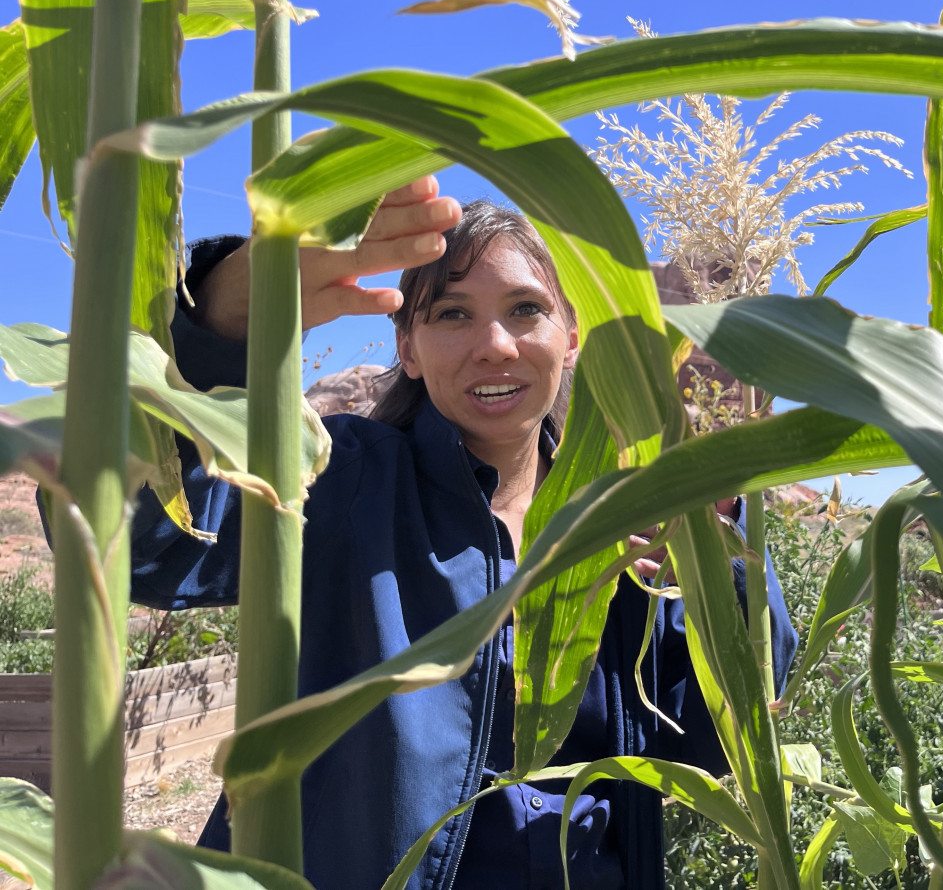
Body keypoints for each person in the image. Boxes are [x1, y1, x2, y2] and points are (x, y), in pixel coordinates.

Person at [125, 178, 797, 889]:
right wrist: (221, 322)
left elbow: (711, 739)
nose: (495, 346)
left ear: (570, 337)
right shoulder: (344, 475)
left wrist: (723, 548)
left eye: (525, 309)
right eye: (452, 313)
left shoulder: (623, 516)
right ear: (408, 348)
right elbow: (146, 543)